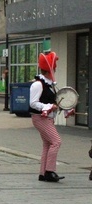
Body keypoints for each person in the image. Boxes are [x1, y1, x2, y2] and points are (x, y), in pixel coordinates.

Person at [29, 51, 74, 182]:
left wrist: (66, 109)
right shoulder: (38, 84)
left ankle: (43, 173)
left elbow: (56, 102)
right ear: (51, 69)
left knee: (47, 144)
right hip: (40, 118)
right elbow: (33, 103)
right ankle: (49, 171)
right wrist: (48, 106)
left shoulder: (50, 85)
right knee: (56, 142)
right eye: (54, 67)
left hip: (47, 118)